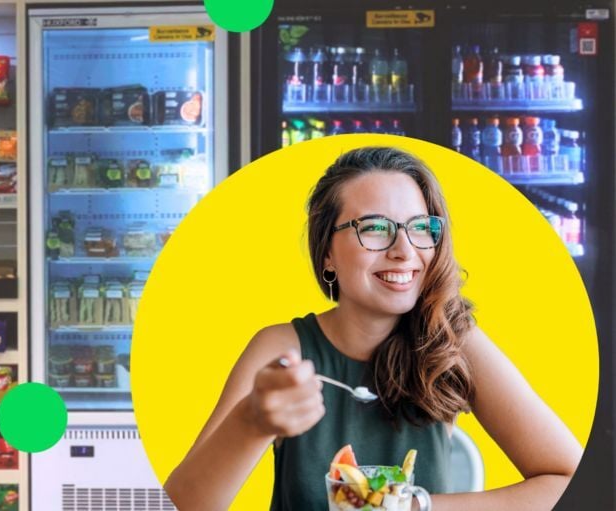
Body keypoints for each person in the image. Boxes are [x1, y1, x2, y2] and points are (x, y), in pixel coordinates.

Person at [164, 147, 582, 510]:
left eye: (421, 228)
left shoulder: (452, 340)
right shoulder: (282, 347)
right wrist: (250, 423)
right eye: (376, 229)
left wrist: (413, 505)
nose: (405, 252)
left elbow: (568, 481)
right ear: (326, 250)